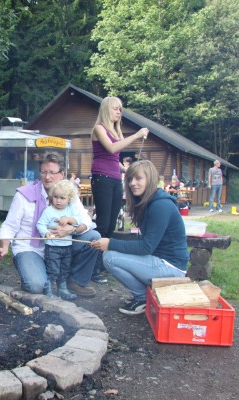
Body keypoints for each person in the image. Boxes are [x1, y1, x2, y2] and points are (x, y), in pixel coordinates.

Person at [90, 160, 189, 315]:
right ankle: (143, 296)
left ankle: (142, 298)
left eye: (138, 179)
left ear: (150, 180)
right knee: (112, 255)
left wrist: (110, 243)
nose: (132, 183)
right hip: (158, 259)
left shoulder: (160, 205)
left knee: (109, 258)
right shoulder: (148, 202)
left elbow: (146, 247)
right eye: (130, 179)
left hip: (170, 267)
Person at [0, 152, 99, 298]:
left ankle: (75, 282)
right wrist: (5, 245)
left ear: (62, 174)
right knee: (36, 286)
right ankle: (37, 271)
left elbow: (86, 220)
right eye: (44, 172)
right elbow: (9, 225)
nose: (47, 177)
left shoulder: (68, 194)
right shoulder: (24, 195)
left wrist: (73, 228)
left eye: (52, 172)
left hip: (61, 245)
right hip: (32, 248)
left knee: (93, 237)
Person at [90, 97, 149, 283]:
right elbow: (112, 148)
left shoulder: (116, 131)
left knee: (110, 225)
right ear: (107, 109)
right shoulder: (99, 128)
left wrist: (126, 170)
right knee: (102, 224)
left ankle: (102, 262)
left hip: (115, 179)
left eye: (120, 109)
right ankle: (92, 267)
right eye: (115, 109)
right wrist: (137, 135)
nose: (118, 112)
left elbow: (114, 158)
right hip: (102, 178)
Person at [36, 180, 83, 300]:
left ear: (69, 199)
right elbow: (40, 224)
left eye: (62, 198)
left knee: (65, 269)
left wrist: (69, 219)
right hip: (52, 247)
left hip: (67, 247)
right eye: (56, 197)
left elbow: (79, 220)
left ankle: (62, 289)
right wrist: (45, 232)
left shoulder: (70, 209)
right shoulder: (48, 211)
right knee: (53, 270)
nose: (58, 200)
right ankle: (49, 290)